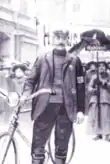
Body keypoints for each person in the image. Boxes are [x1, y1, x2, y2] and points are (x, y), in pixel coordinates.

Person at [22, 29, 85, 164]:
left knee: (62, 146)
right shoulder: (42, 58)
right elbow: (30, 80)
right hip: (45, 107)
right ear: (52, 39)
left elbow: (80, 87)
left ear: (68, 40)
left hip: (66, 108)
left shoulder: (75, 61)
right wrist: (26, 94)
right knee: (38, 144)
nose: (61, 41)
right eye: (57, 37)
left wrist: (80, 110)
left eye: (64, 37)